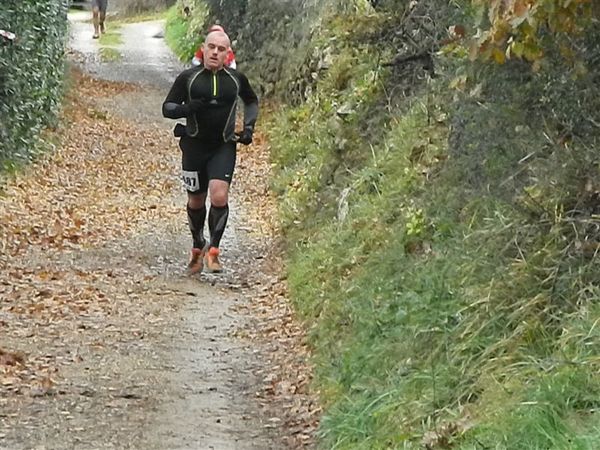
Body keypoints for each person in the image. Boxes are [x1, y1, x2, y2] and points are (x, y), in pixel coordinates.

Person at [162, 29, 258, 275]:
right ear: (203, 49)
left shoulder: (236, 79)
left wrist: (248, 129)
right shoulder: (189, 78)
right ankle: (198, 245)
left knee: (219, 196)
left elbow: (251, 101)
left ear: (228, 54)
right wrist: (187, 109)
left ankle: (214, 250)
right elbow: (167, 107)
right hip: (193, 146)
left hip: (222, 146)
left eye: (221, 49)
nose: (215, 52)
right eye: (211, 47)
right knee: (195, 200)